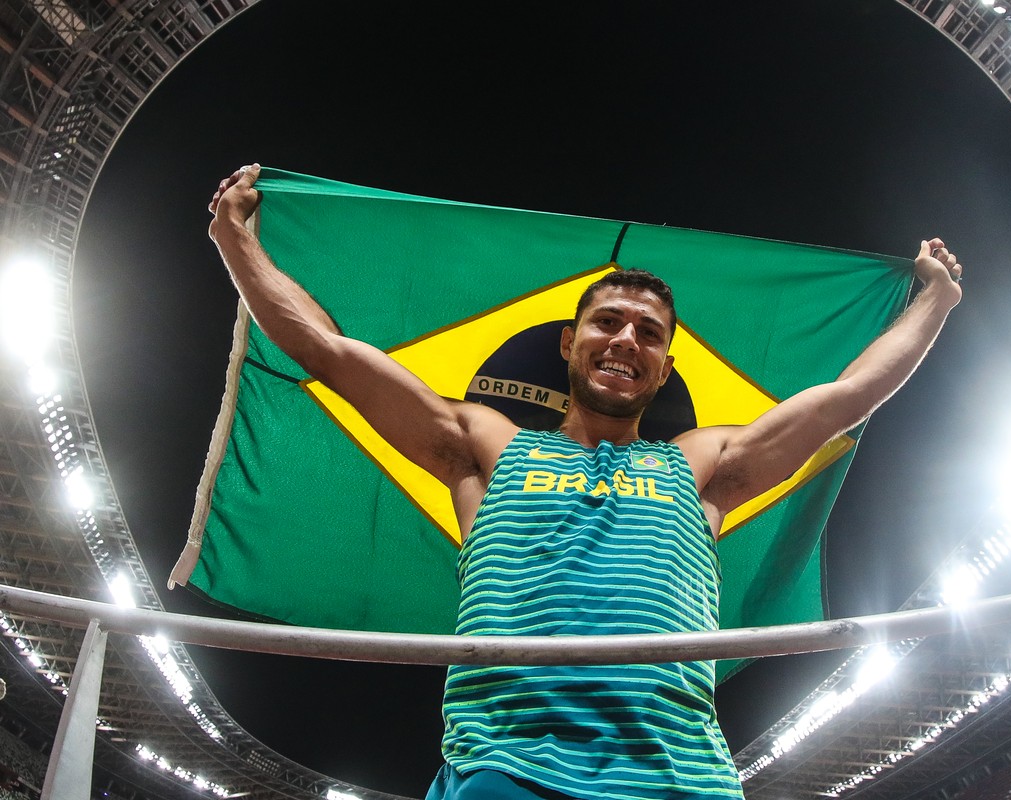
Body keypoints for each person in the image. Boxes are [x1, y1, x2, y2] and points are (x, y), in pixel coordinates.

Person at [209, 163, 963, 800]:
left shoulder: (700, 465)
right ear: (570, 343)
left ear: (664, 368)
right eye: (608, 322)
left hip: (679, 776)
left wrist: (935, 300)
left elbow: (847, 397)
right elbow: (330, 351)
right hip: (508, 767)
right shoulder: (487, 447)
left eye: (649, 334)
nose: (626, 339)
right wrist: (235, 238)